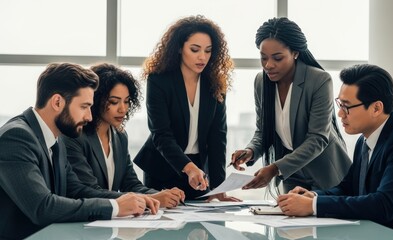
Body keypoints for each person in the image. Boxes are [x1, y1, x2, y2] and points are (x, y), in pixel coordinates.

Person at [277, 64, 393, 240]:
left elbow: (384, 205)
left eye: (346, 106)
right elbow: (349, 188)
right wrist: (313, 196)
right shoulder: (364, 140)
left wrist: (313, 206)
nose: (340, 114)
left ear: (376, 108)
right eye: (339, 104)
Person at [0, 63, 160, 239]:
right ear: (57, 102)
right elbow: (42, 207)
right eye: (84, 107)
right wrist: (115, 207)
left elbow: (77, 190)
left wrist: (129, 200)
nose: (89, 116)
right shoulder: (17, 137)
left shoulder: (57, 139)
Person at [231, 17, 351, 194]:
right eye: (263, 58)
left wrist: (274, 168)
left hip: (326, 173)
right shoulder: (261, 82)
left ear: (295, 53)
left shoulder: (319, 80)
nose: (268, 65)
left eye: (277, 58)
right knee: (290, 219)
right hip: (291, 174)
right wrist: (250, 151)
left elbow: (317, 139)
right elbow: (263, 131)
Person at [133, 15, 239, 201]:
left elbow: (217, 138)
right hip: (163, 168)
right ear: (180, 48)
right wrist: (189, 168)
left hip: (199, 173)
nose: (202, 57)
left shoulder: (214, 83)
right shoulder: (159, 80)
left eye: (208, 51)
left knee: (202, 226)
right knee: (162, 227)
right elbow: (161, 134)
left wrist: (219, 187)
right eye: (195, 49)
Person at [61, 63, 185, 208]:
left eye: (126, 101)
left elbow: (130, 183)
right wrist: (148, 199)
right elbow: (88, 191)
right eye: (114, 102)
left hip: (109, 221)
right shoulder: (76, 136)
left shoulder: (120, 136)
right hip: (83, 222)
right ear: (96, 99)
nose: (123, 109)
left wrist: (165, 196)